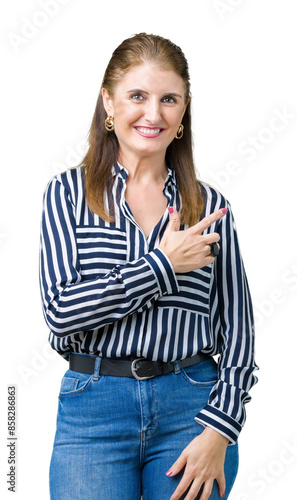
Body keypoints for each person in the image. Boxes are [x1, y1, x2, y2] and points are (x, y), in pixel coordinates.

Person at [39, 33, 258, 500]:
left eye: (169, 99)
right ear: (108, 103)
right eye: (137, 96)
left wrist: (220, 430)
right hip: (92, 411)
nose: (153, 114)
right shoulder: (66, 195)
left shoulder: (210, 206)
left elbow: (239, 333)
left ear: (184, 112)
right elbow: (61, 310)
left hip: (191, 409)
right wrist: (163, 265)